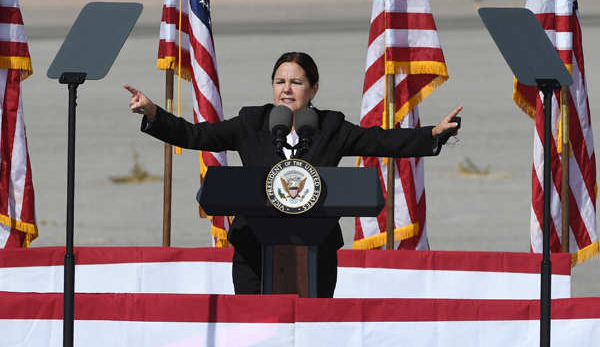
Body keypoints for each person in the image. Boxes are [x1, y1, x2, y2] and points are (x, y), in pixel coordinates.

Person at [125, 51, 462, 297]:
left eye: (296, 82)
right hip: (253, 250)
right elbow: (196, 135)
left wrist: (432, 134)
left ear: (313, 89)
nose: (286, 89)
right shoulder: (251, 122)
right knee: (254, 329)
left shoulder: (331, 126)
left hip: (316, 250)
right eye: (280, 82)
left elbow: (381, 140)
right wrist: (154, 113)